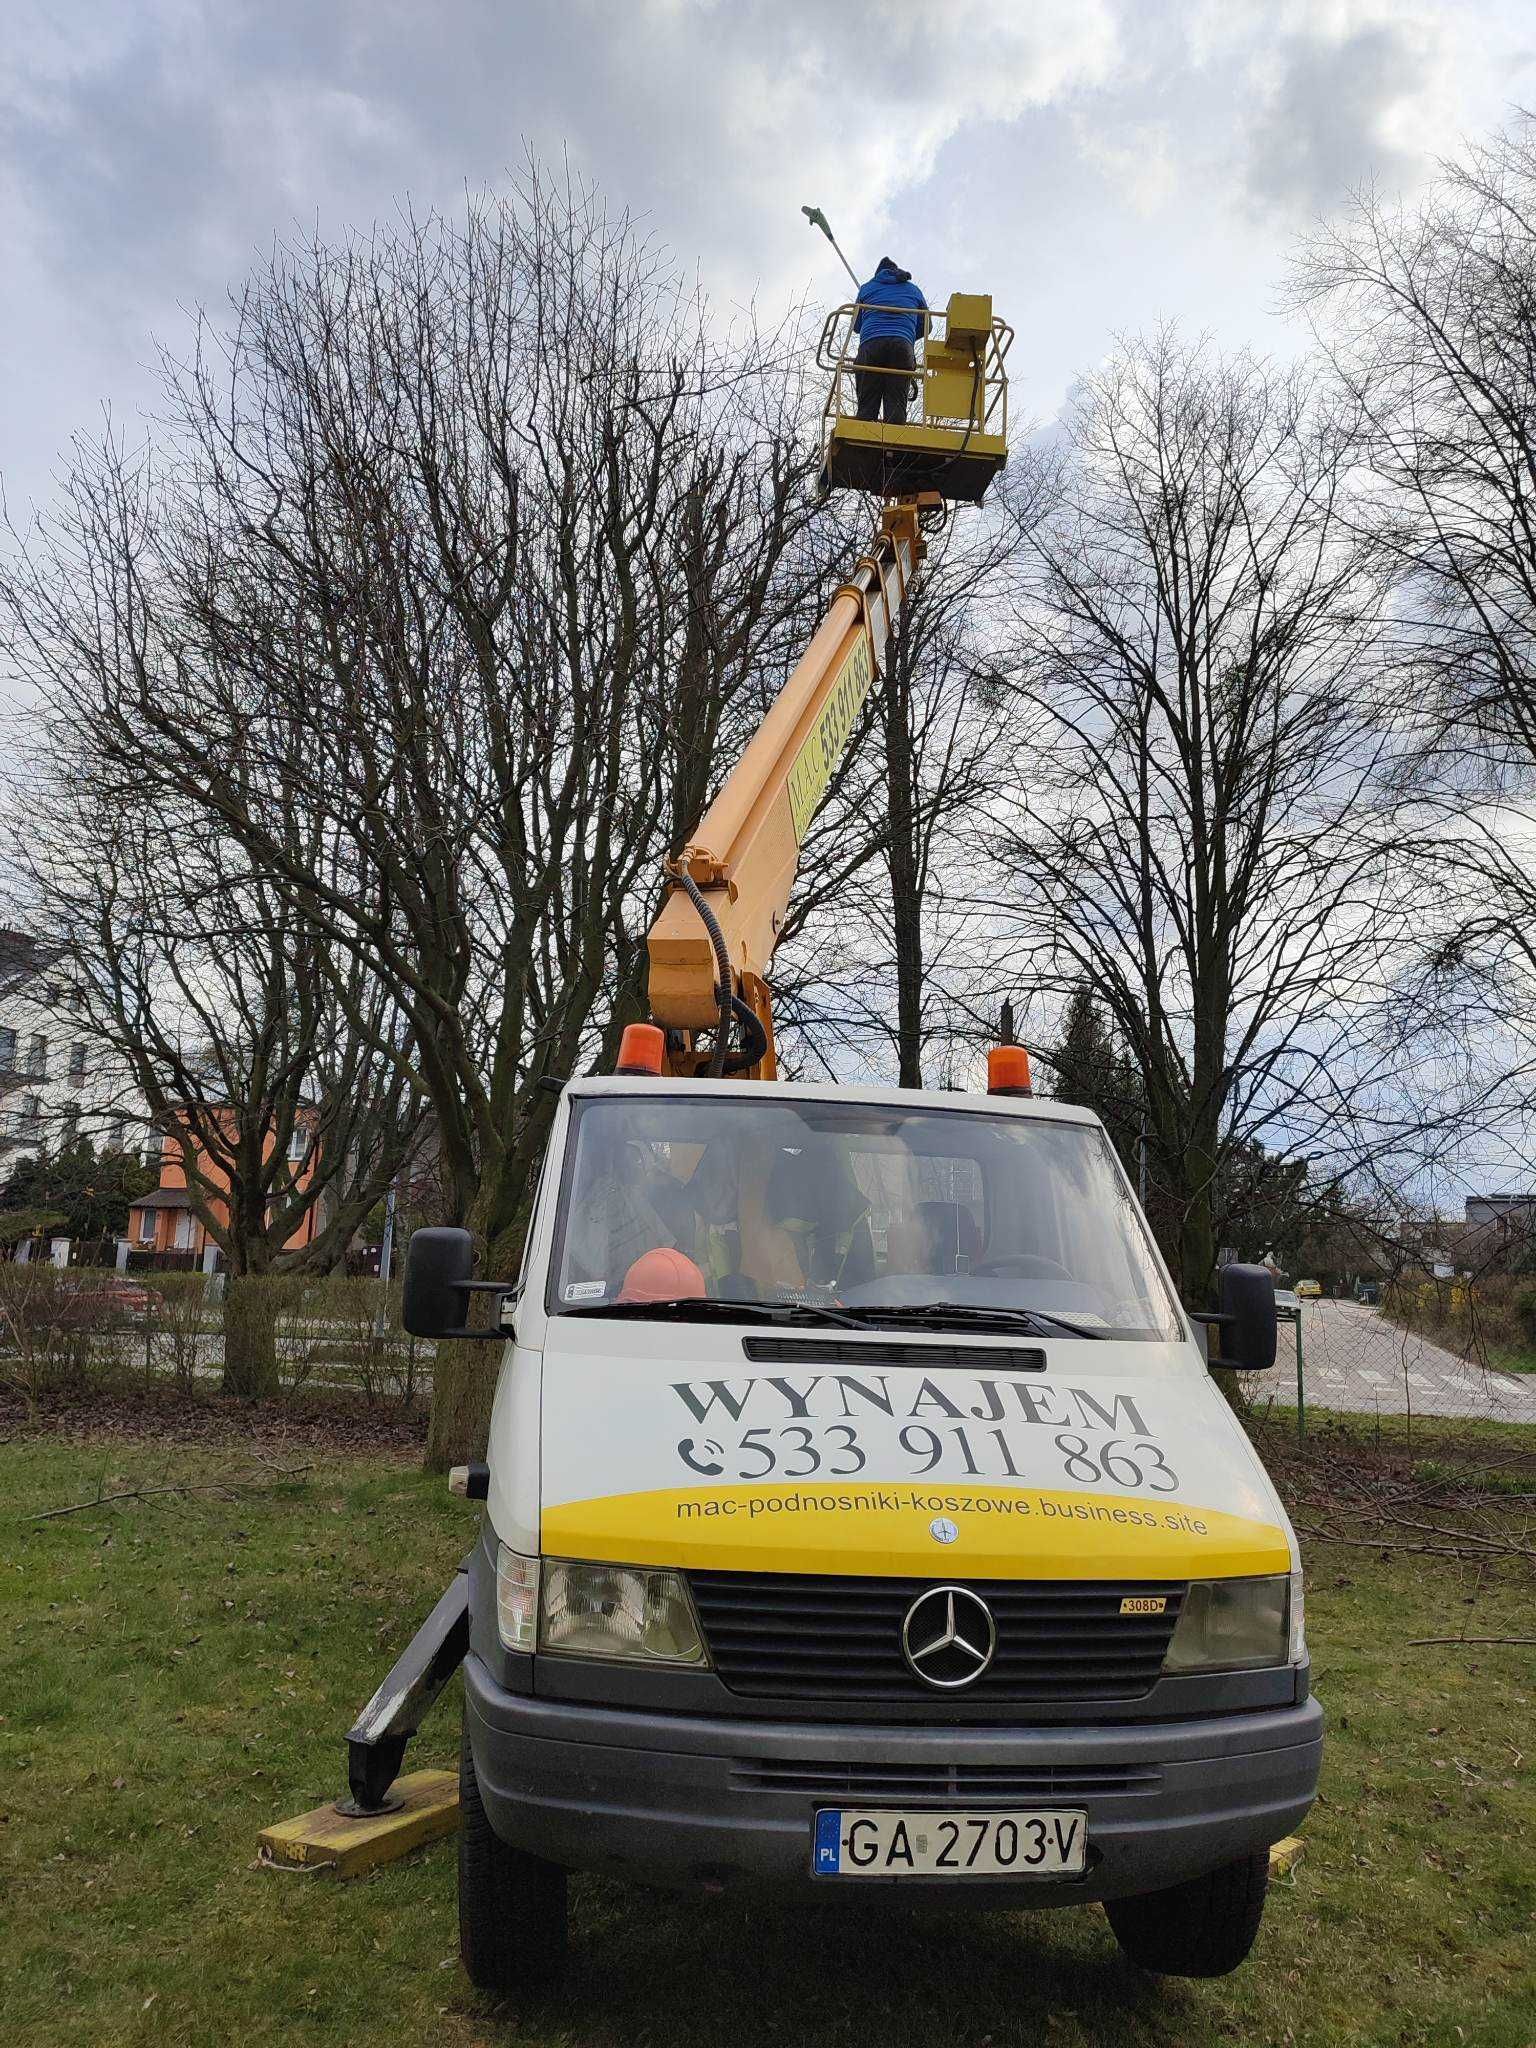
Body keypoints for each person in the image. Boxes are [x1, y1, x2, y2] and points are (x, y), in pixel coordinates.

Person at [852, 256, 928, 426]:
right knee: (896, 405)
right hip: (902, 347)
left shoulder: (867, 288)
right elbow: (926, 325)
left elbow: (856, 326)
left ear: (878, 273)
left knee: (867, 402)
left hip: (871, 346)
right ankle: (894, 442)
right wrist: (906, 334)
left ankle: (864, 432)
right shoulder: (913, 290)